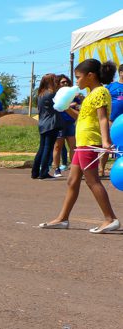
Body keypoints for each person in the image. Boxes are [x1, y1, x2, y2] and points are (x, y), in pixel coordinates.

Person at [39, 59, 119, 234]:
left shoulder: (100, 92)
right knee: (72, 180)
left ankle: (110, 219)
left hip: (90, 142)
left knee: (92, 181)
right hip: (82, 142)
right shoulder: (90, 94)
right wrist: (65, 107)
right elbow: (80, 118)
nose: (76, 82)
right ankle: (63, 219)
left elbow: (103, 118)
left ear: (90, 76)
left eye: (78, 77)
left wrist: (105, 141)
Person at [32, 74, 62, 180]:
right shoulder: (52, 94)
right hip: (51, 124)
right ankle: (43, 172)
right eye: (54, 79)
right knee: (48, 149)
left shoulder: (41, 94)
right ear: (50, 81)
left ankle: (35, 172)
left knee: (42, 148)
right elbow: (60, 106)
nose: (56, 81)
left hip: (43, 123)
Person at [99, 62, 123, 177]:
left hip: (122, 126)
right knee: (107, 147)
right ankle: (101, 169)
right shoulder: (111, 87)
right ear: (121, 73)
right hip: (112, 122)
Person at [53, 74, 78, 176]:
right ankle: (56, 168)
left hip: (70, 123)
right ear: (58, 84)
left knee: (73, 146)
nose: (65, 83)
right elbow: (54, 107)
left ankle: (73, 168)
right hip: (59, 123)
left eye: (66, 81)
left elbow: (77, 105)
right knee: (58, 147)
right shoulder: (56, 95)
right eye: (63, 82)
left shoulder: (72, 95)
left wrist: (75, 103)